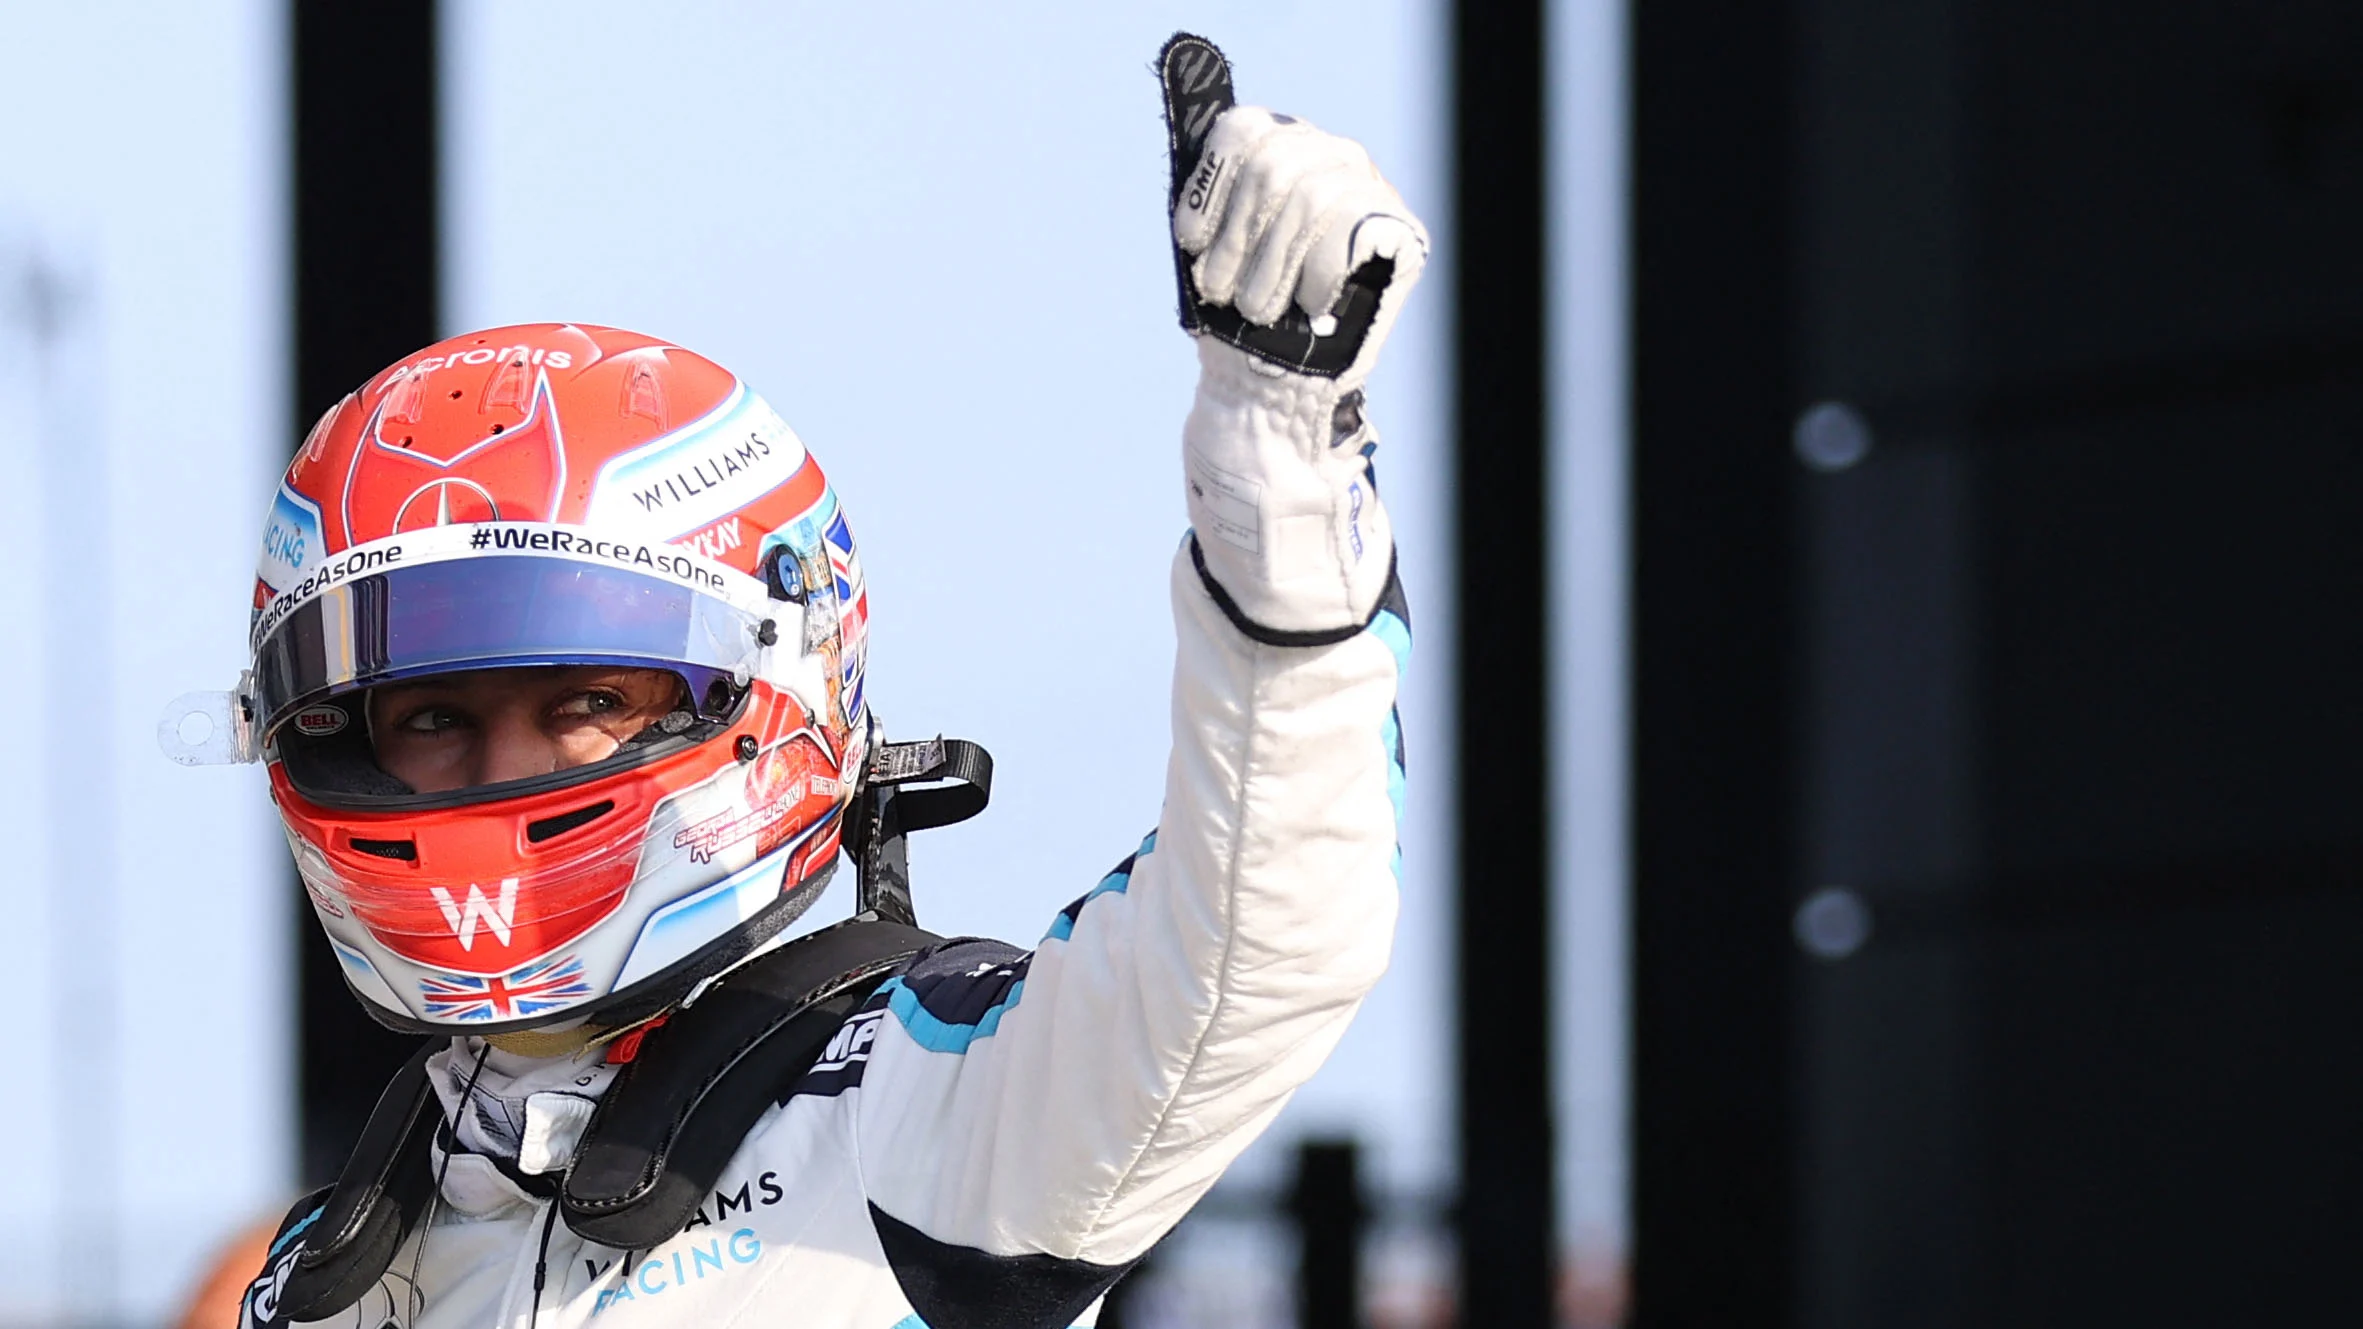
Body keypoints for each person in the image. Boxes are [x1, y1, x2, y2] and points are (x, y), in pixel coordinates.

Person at [166, 38, 1426, 1329]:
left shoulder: (929, 1112)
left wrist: (1276, 469)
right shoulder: (344, 1262)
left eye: (588, 704)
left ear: (779, 685)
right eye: (434, 716)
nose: (508, 772)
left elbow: (1265, 939)